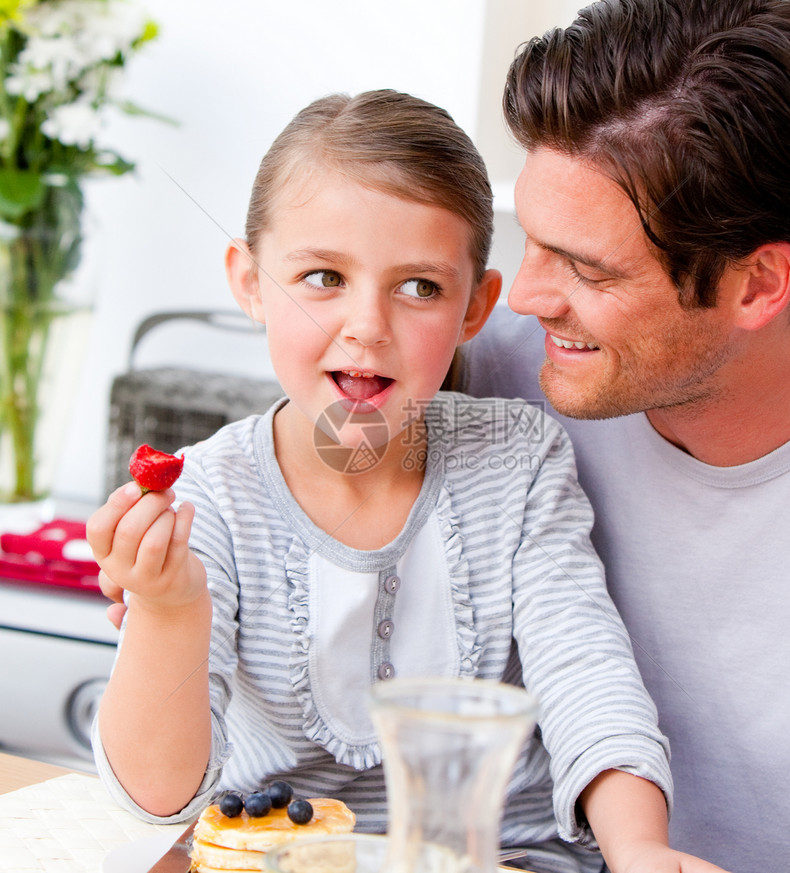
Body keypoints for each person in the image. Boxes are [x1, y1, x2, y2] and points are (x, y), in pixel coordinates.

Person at [85, 90, 730, 873]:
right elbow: (157, 798)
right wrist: (168, 608)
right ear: (251, 281)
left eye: (419, 287)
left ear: (475, 307)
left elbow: (586, 673)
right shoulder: (212, 497)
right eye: (322, 276)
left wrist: (640, 850)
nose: (367, 324)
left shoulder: (518, 459)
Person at [457, 2, 790, 872]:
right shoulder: (498, 372)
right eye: (531, 237)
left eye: (587, 268)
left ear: (758, 283)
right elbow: (309, 462)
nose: (524, 296)